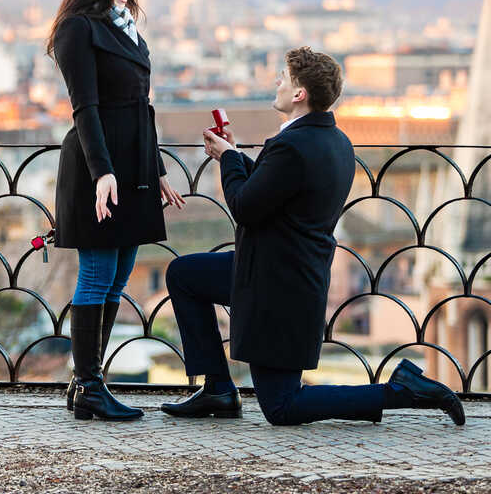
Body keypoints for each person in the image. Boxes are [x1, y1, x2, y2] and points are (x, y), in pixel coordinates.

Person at [161, 47, 464, 427]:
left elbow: (244, 206)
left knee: (283, 407)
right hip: (288, 271)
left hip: (274, 286)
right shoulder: (335, 141)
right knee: (185, 275)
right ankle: (218, 388)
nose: (277, 83)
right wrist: (235, 156)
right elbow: (281, 188)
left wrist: (230, 159)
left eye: (284, 79)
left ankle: (400, 390)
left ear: (300, 93)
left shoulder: (290, 145)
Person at [47, 0, 185, 422]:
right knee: (99, 272)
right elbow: (86, 107)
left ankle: (87, 381)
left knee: (120, 274)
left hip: (133, 168)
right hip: (96, 168)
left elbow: (138, 110)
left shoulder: (123, 28)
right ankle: (88, 385)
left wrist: (157, 171)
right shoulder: (76, 29)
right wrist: (102, 172)